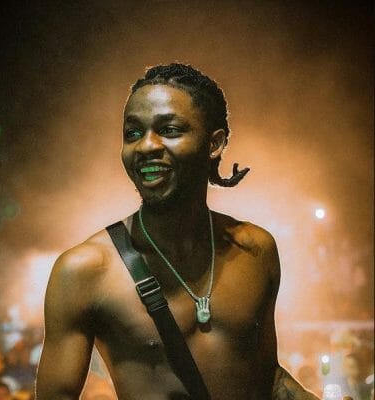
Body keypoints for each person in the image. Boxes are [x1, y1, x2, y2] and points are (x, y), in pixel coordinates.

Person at [35, 63, 346, 399]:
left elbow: (266, 379)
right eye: (133, 133)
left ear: (214, 144)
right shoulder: (84, 271)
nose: (146, 146)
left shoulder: (256, 250)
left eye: (168, 130)